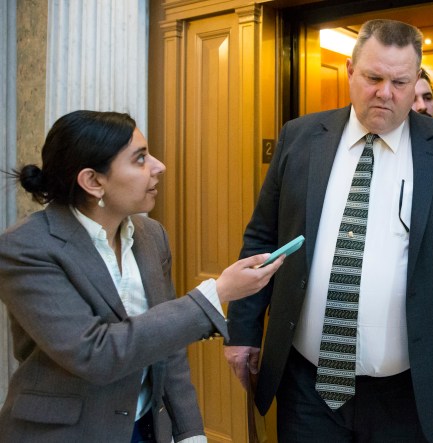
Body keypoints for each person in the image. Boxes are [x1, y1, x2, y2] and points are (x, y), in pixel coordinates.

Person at [225, 19, 433, 443]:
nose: (385, 93)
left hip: (410, 392)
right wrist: (244, 331)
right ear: (349, 70)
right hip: (309, 385)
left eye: (400, 82)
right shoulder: (300, 138)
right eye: (373, 77)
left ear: (417, 78)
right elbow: (262, 241)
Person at [0, 110, 285, 442]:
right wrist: (215, 293)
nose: (158, 166)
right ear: (93, 181)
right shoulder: (27, 248)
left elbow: (169, 347)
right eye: (140, 159)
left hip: (147, 428)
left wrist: (190, 433)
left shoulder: (151, 236)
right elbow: (96, 354)